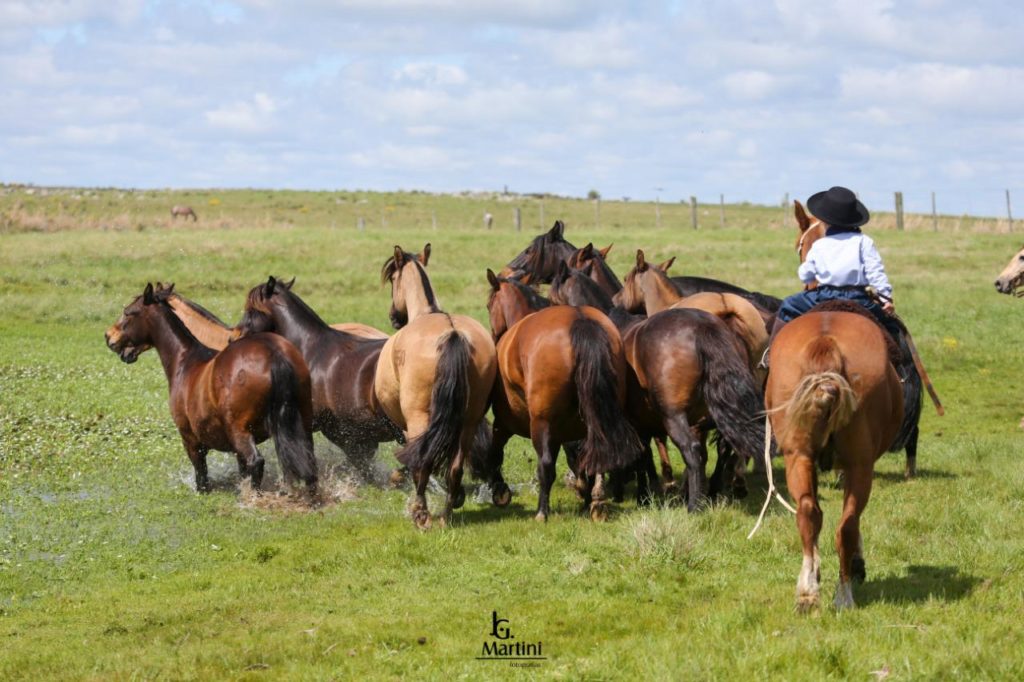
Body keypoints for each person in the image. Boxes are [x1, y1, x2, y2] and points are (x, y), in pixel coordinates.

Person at [763, 186, 903, 366]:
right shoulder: (864, 242)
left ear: (825, 222)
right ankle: (901, 367)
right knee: (891, 325)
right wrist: (885, 298)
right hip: (858, 297)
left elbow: (805, 275)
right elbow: (876, 272)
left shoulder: (820, 245)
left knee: (788, 305)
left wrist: (809, 275)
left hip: (824, 295)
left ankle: (772, 353)